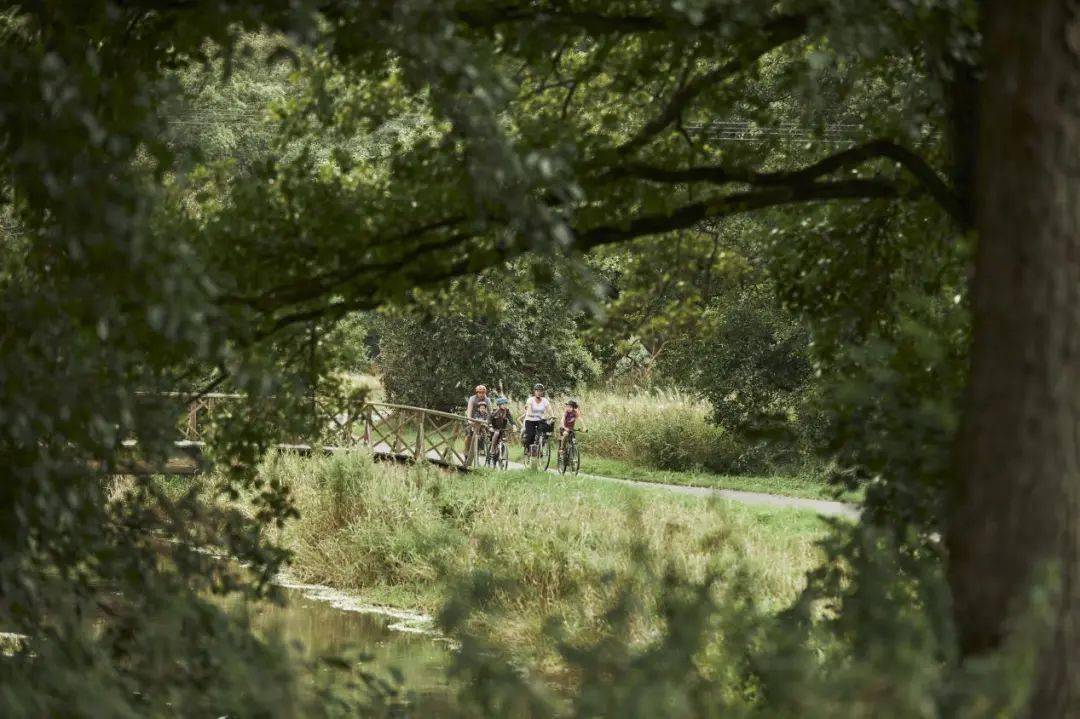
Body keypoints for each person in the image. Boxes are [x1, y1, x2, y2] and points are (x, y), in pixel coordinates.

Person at [519, 383, 553, 455]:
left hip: (539, 420)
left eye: (540, 391)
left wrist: (552, 416)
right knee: (531, 435)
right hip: (530, 420)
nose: (539, 392)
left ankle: (540, 446)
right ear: (534, 391)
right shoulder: (530, 400)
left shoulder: (545, 400)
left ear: (542, 392)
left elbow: (549, 409)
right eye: (537, 391)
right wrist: (531, 413)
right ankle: (528, 449)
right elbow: (529, 408)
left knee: (544, 431)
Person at [463, 385, 490, 457]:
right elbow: (469, 410)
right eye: (480, 392)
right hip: (471, 417)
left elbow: (490, 412)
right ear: (477, 393)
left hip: (482, 418)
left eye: (483, 393)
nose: (481, 394)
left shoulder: (487, 400)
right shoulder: (472, 398)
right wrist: (469, 420)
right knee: (469, 434)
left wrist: (489, 421)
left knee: (485, 433)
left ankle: (482, 448)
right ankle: (466, 449)